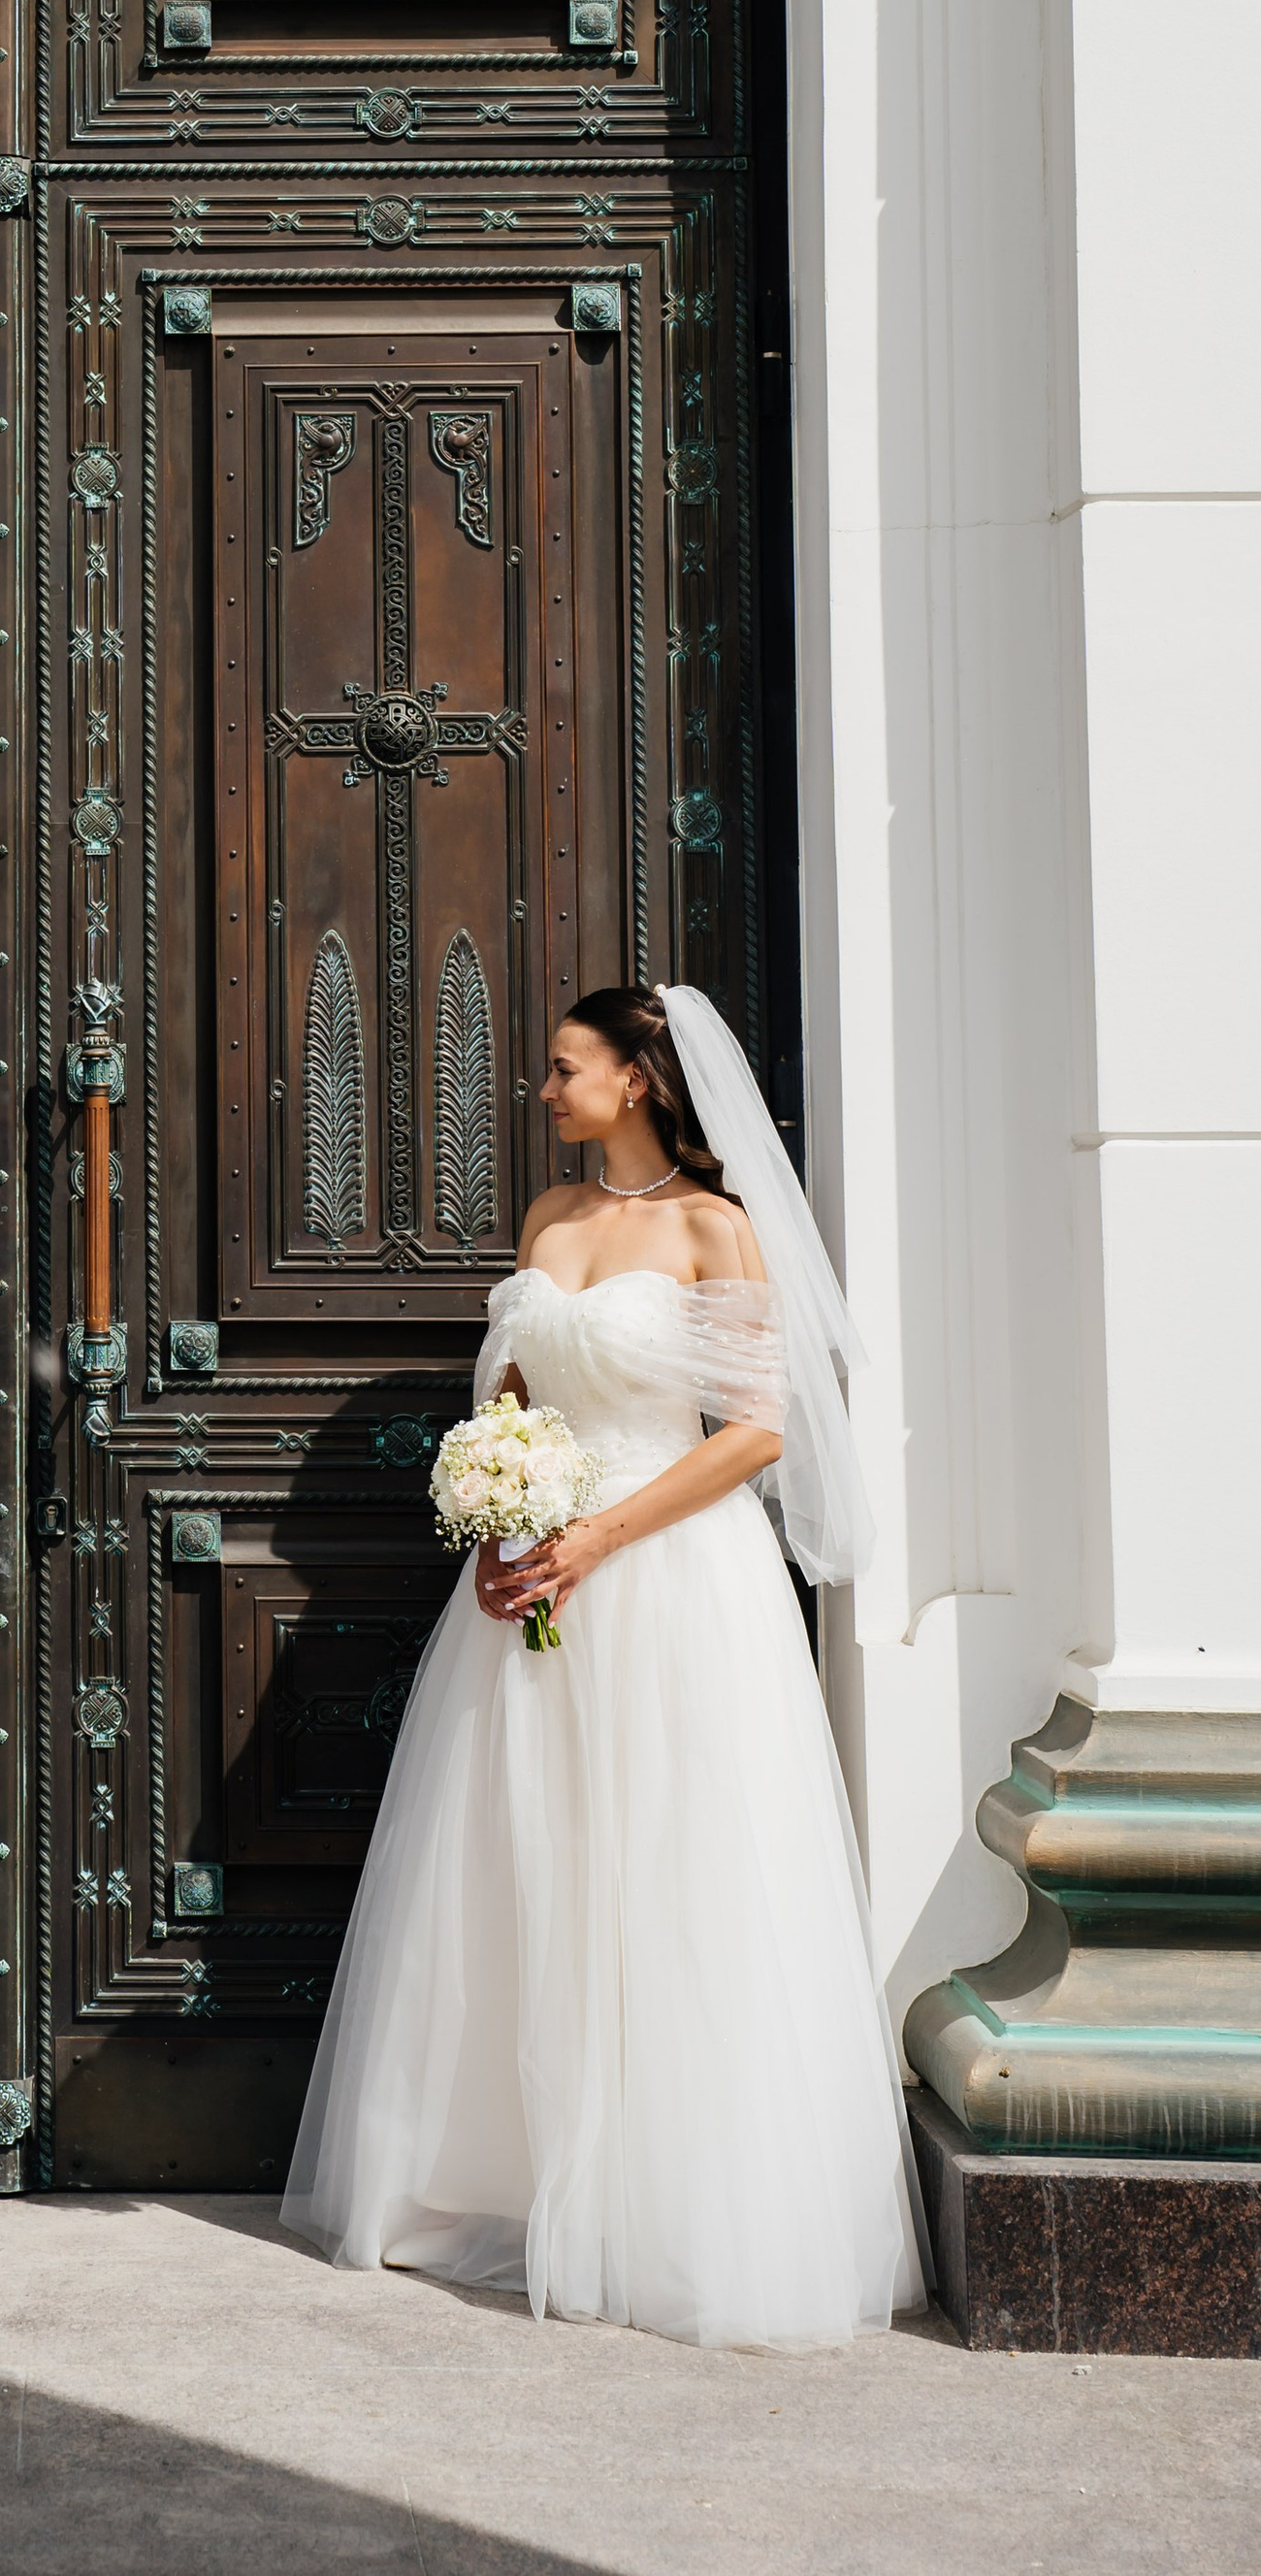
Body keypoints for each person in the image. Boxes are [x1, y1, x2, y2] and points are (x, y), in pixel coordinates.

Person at [281, 985, 928, 2349]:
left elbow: (756, 1432)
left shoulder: (716, 1229)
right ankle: (519, 2186)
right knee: (527, 1860)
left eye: (566, 1066)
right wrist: (501, 1515)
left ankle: (674, 2208)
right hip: (530, 1580)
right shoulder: (551, 1221)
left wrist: (594, 1539)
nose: (546, 1087)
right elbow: (514, 1394)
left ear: (641, 1078)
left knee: (667, 1868)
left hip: (670, 1577)